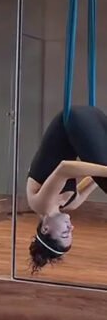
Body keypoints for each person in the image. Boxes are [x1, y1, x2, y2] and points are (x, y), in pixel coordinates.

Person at [27, 105, 107, 272]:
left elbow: (65, 168)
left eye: (64, 233)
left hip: (72, 120)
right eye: (71, 233)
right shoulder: (70, 204)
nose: (71, 228)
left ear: (45, 229)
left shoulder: (41, 204)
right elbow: (95, 179)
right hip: (89, 120)